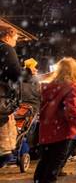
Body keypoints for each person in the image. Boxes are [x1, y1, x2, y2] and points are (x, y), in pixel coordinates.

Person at [34, 58, 76, 183]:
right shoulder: (72, 87)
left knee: (44, 162)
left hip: (45, 130)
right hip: (61, 131)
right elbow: (71, 110)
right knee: (53, 167)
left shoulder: (48, 86)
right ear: (74, 71)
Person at [0, 25, 21, 155]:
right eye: (15, 38)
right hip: (1, 98)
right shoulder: (6, 48)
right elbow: (16, 73)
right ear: (7, 36)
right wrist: (28, 72)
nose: (15, 42)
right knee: (5, 153)